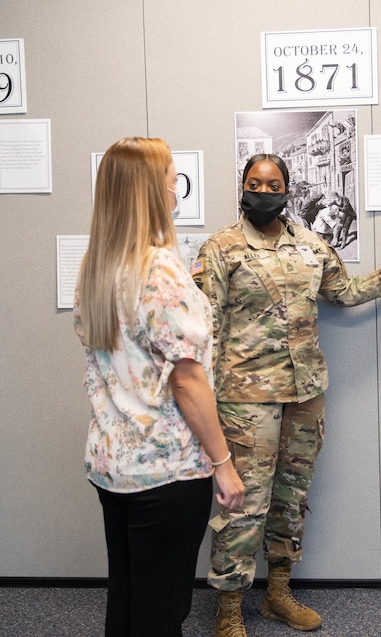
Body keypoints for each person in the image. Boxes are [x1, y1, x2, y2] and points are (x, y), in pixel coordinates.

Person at [192, 153, 381, 637]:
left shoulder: (311, 244)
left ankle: (278, 594)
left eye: (273, 183)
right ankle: (229, 610)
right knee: (243, 504)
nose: (264, 191)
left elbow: (345, 293)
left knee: (291, 496)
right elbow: (207, 326)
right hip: (245, 399)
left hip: (305, 394)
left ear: (288, 188)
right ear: (242, 187)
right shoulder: (220, 248)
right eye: (255, 183)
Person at [74, 136, 245, 637]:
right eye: (172, 180)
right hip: (167, 472)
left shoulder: (97, 266)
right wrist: (224, 466)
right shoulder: (159, 269)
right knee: (161, 610)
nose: (176, 189)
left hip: (113, 465)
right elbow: (188, 380)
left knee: (127, 598)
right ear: (151, 191)